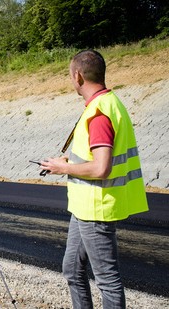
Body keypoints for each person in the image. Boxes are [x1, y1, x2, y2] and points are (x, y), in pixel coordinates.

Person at [39, 50, 149, 309]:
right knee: (71, 270)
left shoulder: (99, 113)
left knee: (108, 281)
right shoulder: (107, 102)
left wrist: (62, 168)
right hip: (84, 207)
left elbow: (101, 168)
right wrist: (68, 163)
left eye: (69, 75)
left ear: (77, 76)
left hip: (96, 208)